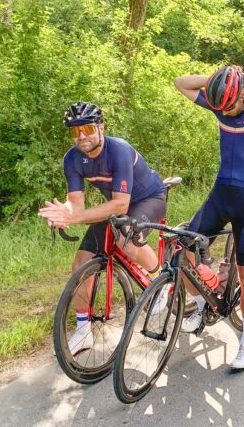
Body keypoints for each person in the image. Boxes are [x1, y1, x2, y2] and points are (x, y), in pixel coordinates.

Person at [174, 65, 244, 370]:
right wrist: (218, 80)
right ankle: (201, 307)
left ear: (242, 94)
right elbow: (180, 82)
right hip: (221, 193)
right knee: (181, 252)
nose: (226, 112)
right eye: (220, 107)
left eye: (231, 105)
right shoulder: (221, 102)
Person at [38, 102, 167, 355]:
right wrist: (64, 213)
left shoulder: (118, 150)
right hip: (118, 205)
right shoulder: (72, 159)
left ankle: (161, 281)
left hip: (148, 199)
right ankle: (83, 330)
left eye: (86, 128)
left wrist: (77, 217)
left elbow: (121, 205)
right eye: (75, 131)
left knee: (126, 241)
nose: (81, 136)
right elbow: (76, 203)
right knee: (81, 263)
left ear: (100, 128)